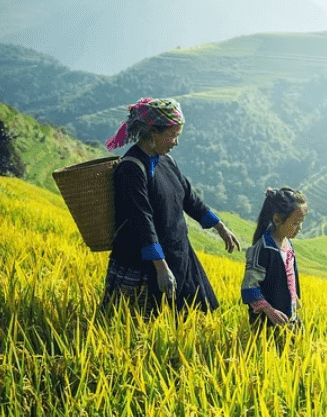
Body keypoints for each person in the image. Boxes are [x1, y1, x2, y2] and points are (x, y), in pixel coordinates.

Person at [101, 97, 240, 317]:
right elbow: (141, 220)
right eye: (172, 135)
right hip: (146, 264)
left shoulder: (166, 161)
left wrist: (220, 227)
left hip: (178, 255)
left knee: (193, 317)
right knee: (140, 324)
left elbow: (189, 199)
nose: (176, 142)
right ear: (153, 133)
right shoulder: (131, 168)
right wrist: (160, 267)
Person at [241, 187, 308, 330]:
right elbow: (249, 287)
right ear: (277, 219)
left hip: (288, 320)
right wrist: (269, 310)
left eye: (301, 222)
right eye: (296, 223)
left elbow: (289, 277)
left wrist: (295, 300)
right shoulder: (262, 249)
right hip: (267, 326)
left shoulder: (288, 245)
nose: (300, 228)